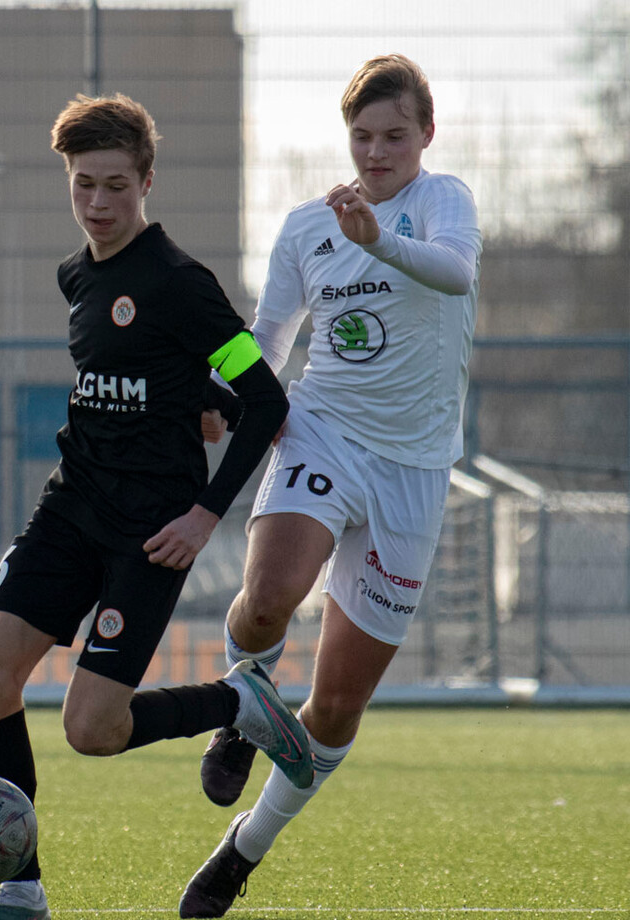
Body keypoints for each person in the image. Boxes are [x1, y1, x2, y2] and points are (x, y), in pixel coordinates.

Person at [0, 92, 314, 920]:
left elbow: (263, 400)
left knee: (94, 729)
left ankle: (238, 703)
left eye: (116, 185)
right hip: (70, 506)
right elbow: (161, 374)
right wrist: (194, 396)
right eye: (84, 185)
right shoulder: (75, 274)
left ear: (147, 181)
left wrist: (204, 515)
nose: (99, 204)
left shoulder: (184, 284)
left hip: (150, 533)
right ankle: (21, 889)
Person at [179, 53, 482, 918]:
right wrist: (228, 392)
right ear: (345, 138)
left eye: (394, 136)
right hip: (324, 432)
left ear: (427, 134)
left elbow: (454, 272)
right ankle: (242, 698)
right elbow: (269, 336)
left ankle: (242, 851)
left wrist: (379, 240)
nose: (377, 152)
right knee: (268, 597)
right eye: (362, 137)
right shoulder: (307, 226)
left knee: (339, 706)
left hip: (414, 473)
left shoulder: (444, 201)